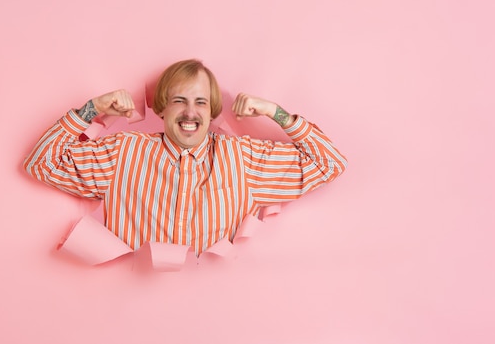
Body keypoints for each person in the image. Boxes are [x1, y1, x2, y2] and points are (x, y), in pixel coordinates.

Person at [24, 59, 347, 255]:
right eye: (179, 100)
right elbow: (42, 164)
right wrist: (91, 109)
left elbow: (329, 164)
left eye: (201, 102)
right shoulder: (122, 153)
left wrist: (275, 113)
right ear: (163, 108)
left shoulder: (245, 158)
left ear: (212, 111)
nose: (191, 112)